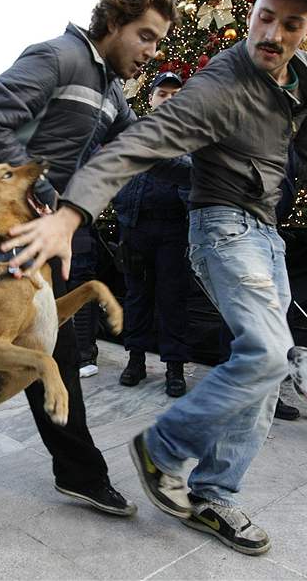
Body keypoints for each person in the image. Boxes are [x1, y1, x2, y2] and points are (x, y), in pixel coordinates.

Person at [2, 0, 307, 554]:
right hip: (222, 226)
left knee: (269, 367)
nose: (273, 36)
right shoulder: (216, 86)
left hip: (267, 231)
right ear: (249, 13)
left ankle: (214, 493)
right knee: (268, 351)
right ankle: (164, 447)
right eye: (265, 18)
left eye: (291, 25)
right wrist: (69, 213)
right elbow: (136, 145)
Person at [0, 0, 182, 517]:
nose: (151, 53)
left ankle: (80, 474)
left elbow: (139, 147)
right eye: (146, 37)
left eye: (158, 42)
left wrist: (209, 170)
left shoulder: (110, 89)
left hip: (39, 244)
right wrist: (47, 195)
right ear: (112, 23)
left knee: (52, 352)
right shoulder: (58, 57)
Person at [114, 71, 191, 397]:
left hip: (174, 230)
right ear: (150, 98)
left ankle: (174, 368)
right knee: (137, 298)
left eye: (176, 95)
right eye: (163, 94)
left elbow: (194, 180)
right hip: (136, 227)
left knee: (173, 301)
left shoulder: (190, 136)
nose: (168, 100)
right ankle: (136, 360)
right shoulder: (132, 133)